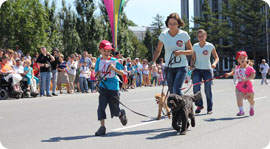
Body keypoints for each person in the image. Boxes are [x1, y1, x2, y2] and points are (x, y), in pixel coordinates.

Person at [152, 13, 193, 95]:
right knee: (171, 91)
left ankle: (182, 107)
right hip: (169, 66)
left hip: (181, 66)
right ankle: (174, 108)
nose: (172, 25)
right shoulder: (163, 35)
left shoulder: (183, 34)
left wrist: (181, 52)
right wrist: (153, 61)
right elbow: (158, 50)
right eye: (170, 23)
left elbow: (191, 50)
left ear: (178, 24)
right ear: (167, 24)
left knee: (176, 89)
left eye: (174, 23)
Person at [94, 40, 127, 136]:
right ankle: (102, 127)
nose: (107, 53)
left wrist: (114, 69)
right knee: (101, 107)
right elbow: (95, 74)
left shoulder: (114, 61)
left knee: (115, 110)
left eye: (109, 51)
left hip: (113, 87)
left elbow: (123, 73)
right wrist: (98, 74)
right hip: (103, 86)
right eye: (105, 50)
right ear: (100, 50)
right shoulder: (98, 60)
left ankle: (121, 113)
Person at [191, 29, 219, 114]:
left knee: (207, 89)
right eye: (199, 36)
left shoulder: (210, 46)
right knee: (196, 88)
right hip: (197, 70)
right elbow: (193, 58)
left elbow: (216, 57)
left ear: (205, 36)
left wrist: (214, 63)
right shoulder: (195, 46)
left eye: (202, 36)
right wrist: (192, 64)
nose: (201, 38)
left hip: (207, 70)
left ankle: (209, 108)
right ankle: (199, 105)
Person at [225, 51, 256, 116]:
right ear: (238, 60)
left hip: (248, 87)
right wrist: (229, 74)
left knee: (251, 100)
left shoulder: (249, 68)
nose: (242, 59)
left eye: (243, 58)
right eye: (240, 58)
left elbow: (253, 75)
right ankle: (241, 111)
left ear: (246, 58)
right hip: (239, 86)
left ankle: (252, 108)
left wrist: (247, 79)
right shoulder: (237, 68)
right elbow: (234, 72)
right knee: (239, 99)